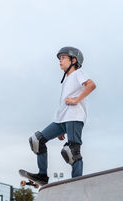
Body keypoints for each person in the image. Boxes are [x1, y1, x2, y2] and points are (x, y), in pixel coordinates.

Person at [28, 46, 96, 185]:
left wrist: (76, 100)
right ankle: (42, 175)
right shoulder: (67, 80)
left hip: (74, 117)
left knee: (72, 151)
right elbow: (63, 104)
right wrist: (59, 125)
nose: (60, 61)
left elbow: (91, 85)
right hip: (62, 120)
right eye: (60, 58)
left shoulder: (78, 73)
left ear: (73, 60)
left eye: (63, 58)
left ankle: (76, 182)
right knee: (37, 140)